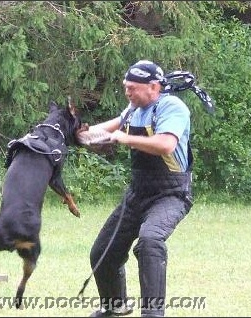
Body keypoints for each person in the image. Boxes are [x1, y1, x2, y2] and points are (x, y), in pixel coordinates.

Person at [77, 60, 212, 317]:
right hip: (138, 192)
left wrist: (123, 138)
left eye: (133, 88)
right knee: (103, 253)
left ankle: (153, 314)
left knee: (150, 241)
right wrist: (72, 134)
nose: (127, 92)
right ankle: (115, 307)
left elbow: (165, 145)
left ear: (153, 87)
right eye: (126, 87)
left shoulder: (171, 107)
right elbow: (97, 132)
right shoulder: (132, 110)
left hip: (171, 193)